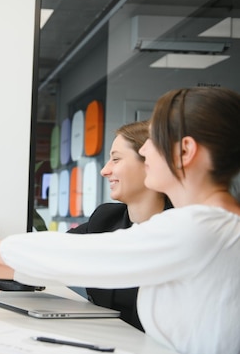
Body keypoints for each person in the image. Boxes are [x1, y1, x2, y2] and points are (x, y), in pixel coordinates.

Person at [0, 87, 240, 354]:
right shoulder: (213, 224)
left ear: (185, 151)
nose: (146, 152)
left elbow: (76, 254)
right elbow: (70, 255)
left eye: (154, 140)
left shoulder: (201, 228)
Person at [68, 120, 172, 331]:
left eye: (116, 159)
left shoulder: (181, 229)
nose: (104, 171)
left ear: (150, 163)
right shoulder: (106, 218)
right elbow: (54, 249)